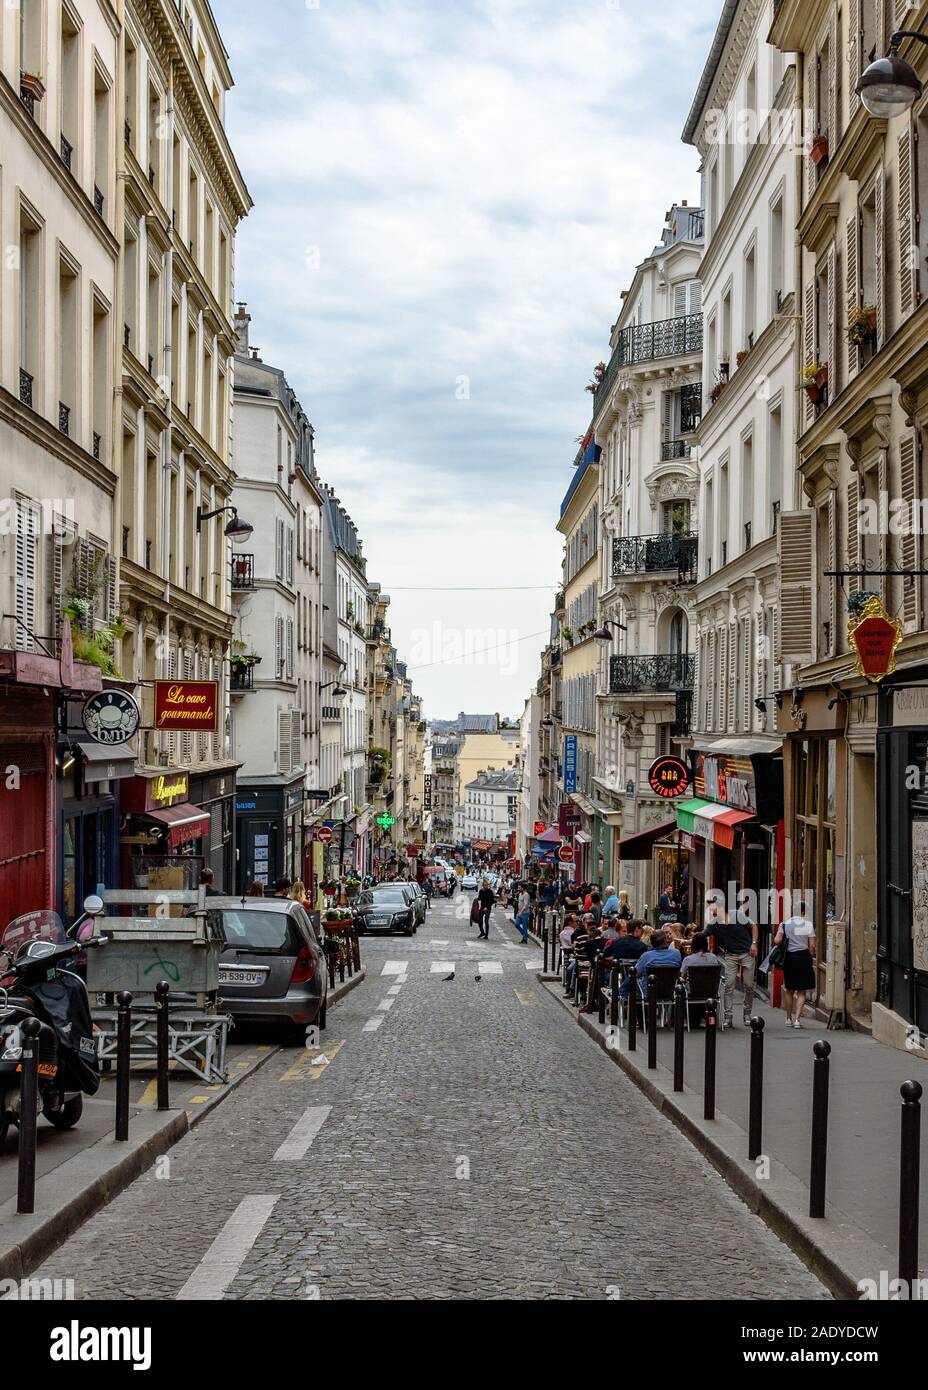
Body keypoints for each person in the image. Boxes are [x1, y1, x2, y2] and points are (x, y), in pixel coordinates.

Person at [713, 894, 759, 1028]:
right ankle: (728, 1017)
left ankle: (747, 1014)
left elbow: (754, 926)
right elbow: (704, 934)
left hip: (746, 953)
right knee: (729, 986)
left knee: (749, 985)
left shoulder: (737, 915)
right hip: (730, 956)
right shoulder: (714, 922)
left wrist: (754, 943)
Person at [775, 912, 816, 1028]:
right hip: (804, 957)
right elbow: (812, 945)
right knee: (802, 990)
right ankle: (797, 1020)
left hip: (789, 957)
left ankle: (788, 1019)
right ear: (803, 913)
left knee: (789, 989)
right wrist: (811, 957)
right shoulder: (808, 924)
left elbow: (777, 940)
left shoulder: (784, 924)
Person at [622, 928, 682, 1000]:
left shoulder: (646, 956)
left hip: (648, 992)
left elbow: (635, 974)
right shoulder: (676, 953)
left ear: (651, 942)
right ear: (665, 940)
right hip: (671, 992)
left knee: (632, 976)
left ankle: (620, 994)